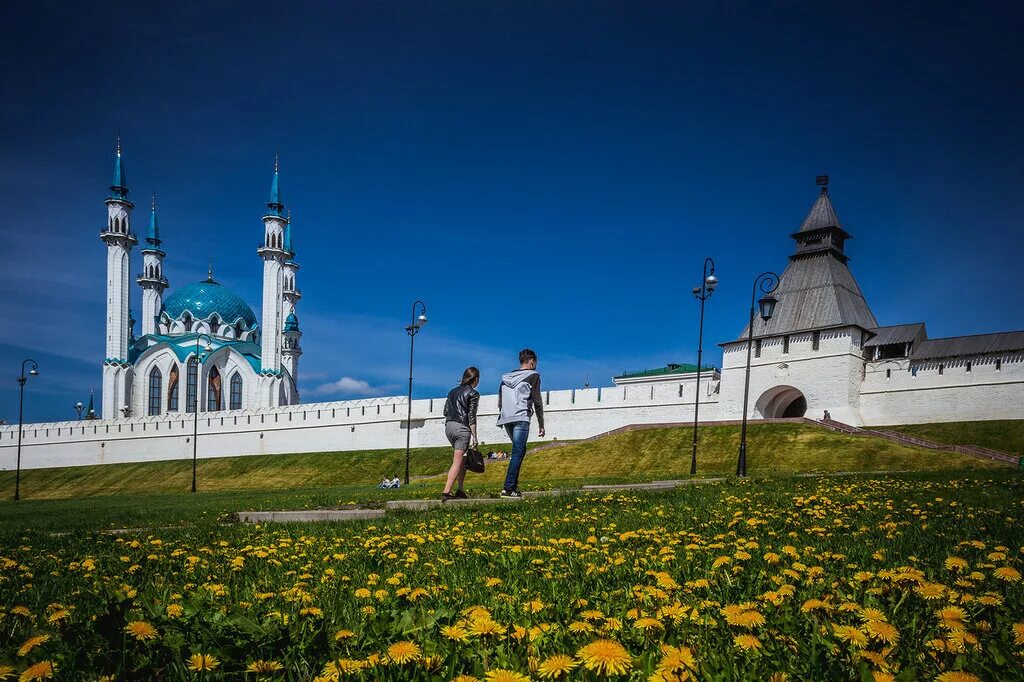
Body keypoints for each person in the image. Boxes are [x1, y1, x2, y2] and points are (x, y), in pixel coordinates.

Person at [496, 348, 545, 498]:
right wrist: (541, 424)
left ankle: (513, 487)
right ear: (531, 362)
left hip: (506, 418)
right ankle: (508, 488)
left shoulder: (506, 378)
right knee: (518, 452)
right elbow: (537, 400)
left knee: (519, 451)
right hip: (521, 417)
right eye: (535, 364)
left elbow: (500, 400)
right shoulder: (533, 376)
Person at [441, 366, 481, 502]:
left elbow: (445, 411)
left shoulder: (452, 392)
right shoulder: (473, 394)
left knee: (463, 459)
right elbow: (471, 415)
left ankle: (461, 489)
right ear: (475, 379)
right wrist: (475, 436)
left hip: (449, 427)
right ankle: (446, 492)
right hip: (462, 428)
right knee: (457, 461)